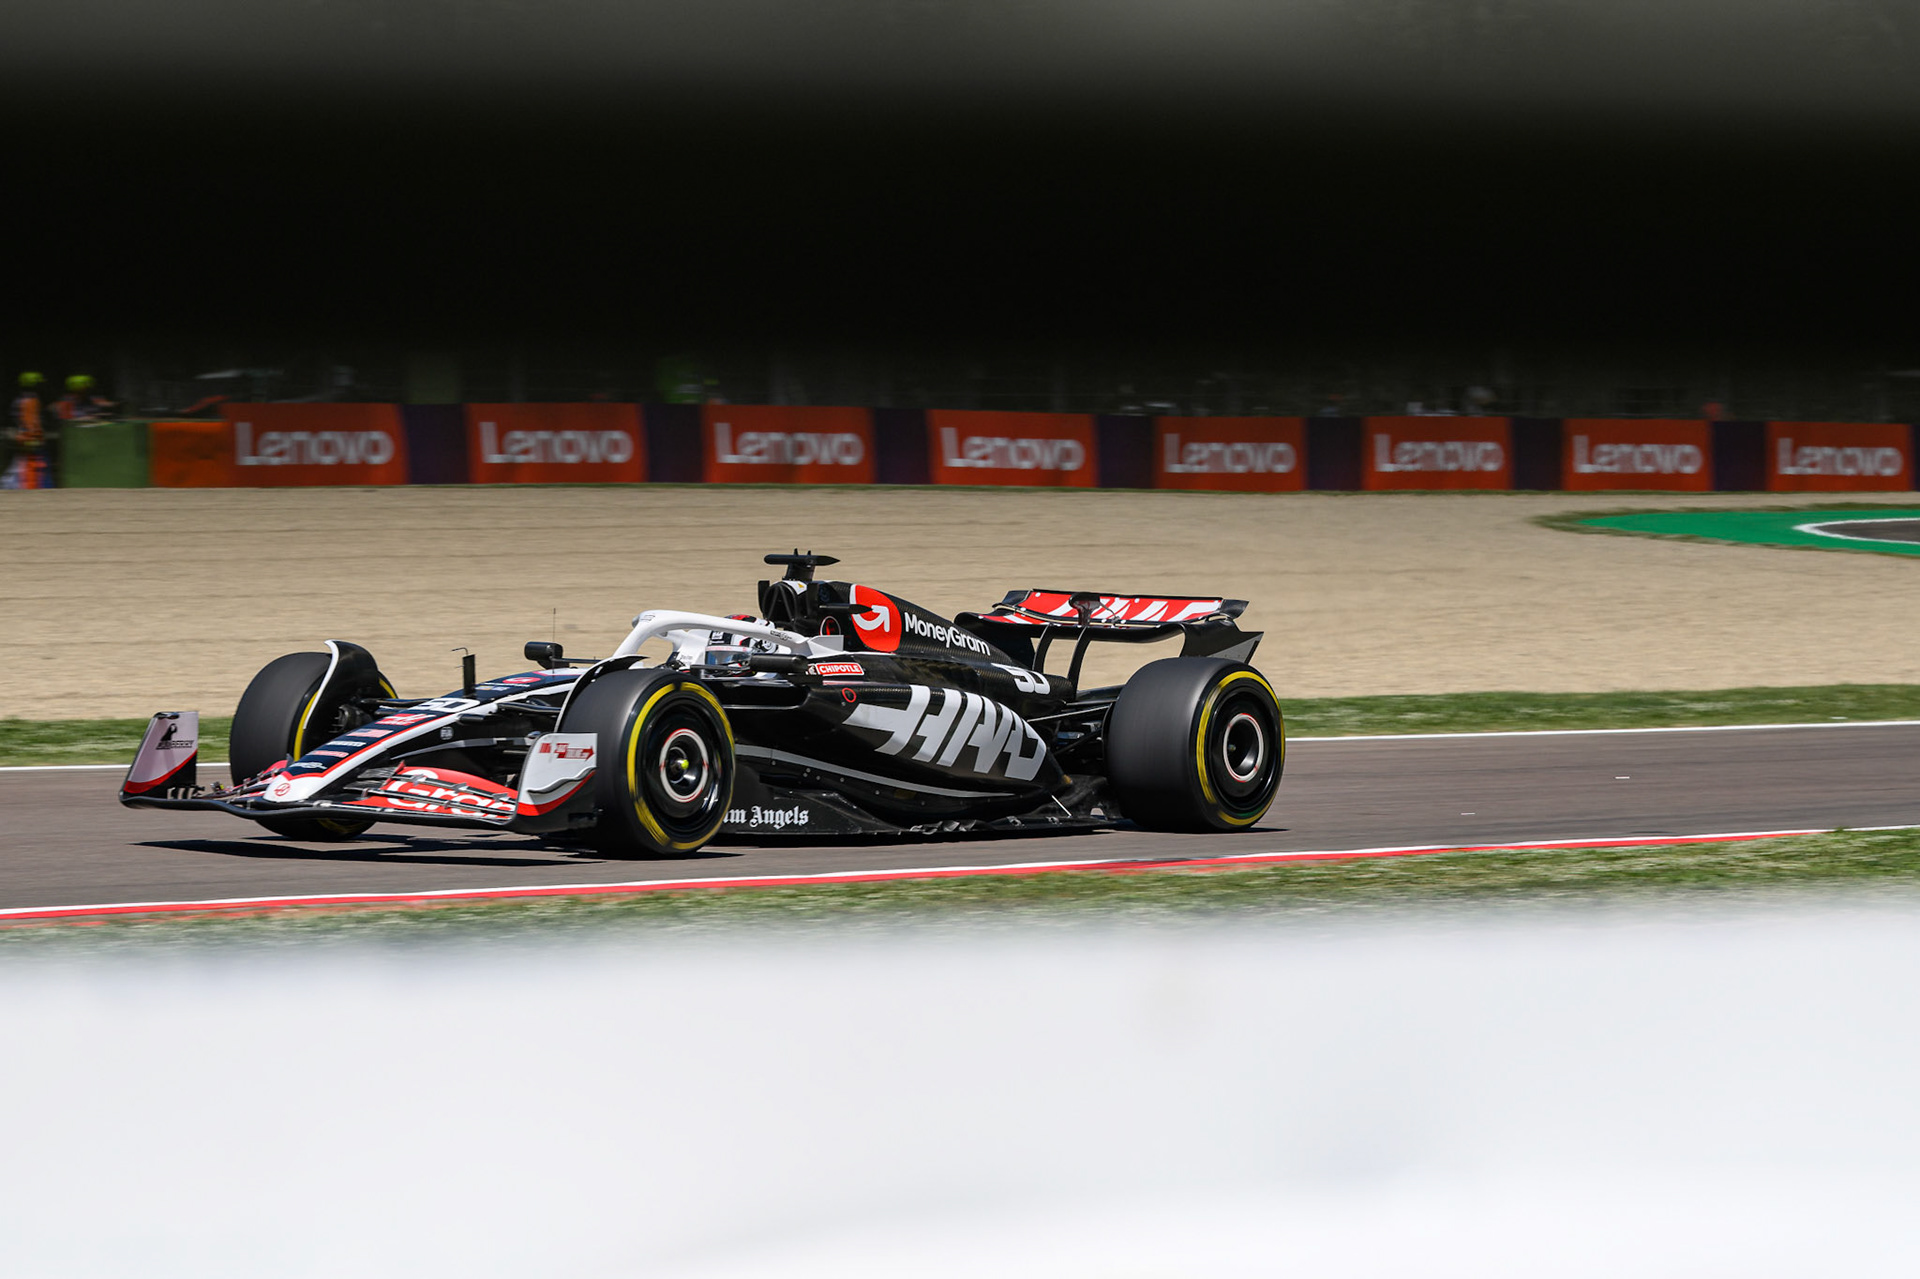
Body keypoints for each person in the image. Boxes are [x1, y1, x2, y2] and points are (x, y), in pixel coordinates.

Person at [6, 372, 48, 490]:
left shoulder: (23, 399)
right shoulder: (29, 401)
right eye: (38, 384)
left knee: (27, 467)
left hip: (28, 439)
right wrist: (32, 438)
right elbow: (28, 423)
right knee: (25, 468)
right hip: (28, 439)